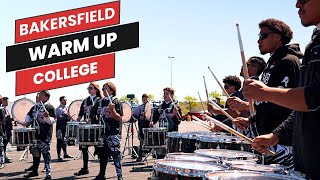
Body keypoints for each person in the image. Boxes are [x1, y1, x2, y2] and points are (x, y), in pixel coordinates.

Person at [246, 1, 320, 178]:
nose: (297, 4)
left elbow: (313, 97)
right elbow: (303, 110)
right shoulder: (315, 44)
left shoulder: (289, 61)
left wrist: (264, 93)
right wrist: (276, 135)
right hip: (306, 164)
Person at [232, 18, 302, 169]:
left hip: (282, 142)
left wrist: (276, 135)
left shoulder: (289, 61)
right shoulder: (272, 64)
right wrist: (251, 120)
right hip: (269, 140)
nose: (259, 41)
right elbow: (269, 104)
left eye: (263, 36)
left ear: (277, 37)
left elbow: (290, 104)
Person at [90, 82, 123, 180]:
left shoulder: (116, 101)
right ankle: (101, 174)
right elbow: (92, 113)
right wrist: (96, 118)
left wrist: (112, 110)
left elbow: (119, 118)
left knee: (116, 155)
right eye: (103, 89)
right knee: (102, 155)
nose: (104, 91)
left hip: (113, 132)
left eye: (106, 89)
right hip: (102, 132)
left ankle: (119, 175)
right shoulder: (100, 102)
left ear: (112, 90)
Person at [24, 90, 56, 179]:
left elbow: (53, 120)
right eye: (39, 94)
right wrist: (27, 121)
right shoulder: (35, 107)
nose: (39, 96)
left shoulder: (49, 107)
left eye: (41, 94)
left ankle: (48, 172)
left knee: (46, 154)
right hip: (35, 135)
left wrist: (47, 117)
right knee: (35, 153)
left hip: (44, 135)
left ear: (46, 97)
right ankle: (35, 171)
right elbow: (29, 115)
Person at [74, 82, 102, 176]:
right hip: (86, 127)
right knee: (84, 147)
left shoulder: (100, 100)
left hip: (97, 127)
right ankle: (85, 168)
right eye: (88, 88)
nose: (89, 90)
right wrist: (78, 118)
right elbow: (81, 112)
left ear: (96, 89)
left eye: (90, 88)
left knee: (99, 148)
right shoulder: (85, 101)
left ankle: (101, 171)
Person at [134, 94, 152, 162]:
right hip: (141, 125)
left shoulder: (150, 106)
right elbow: (135, 115)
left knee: (150, 140)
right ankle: (140, 156)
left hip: (148, 125)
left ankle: (150, 153)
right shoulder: (139, 107)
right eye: (143, 99)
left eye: (145, 99)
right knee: (141, 140)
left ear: (148, 99)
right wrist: (139, 117)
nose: (144, 100)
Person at [55, 96, 73, 161]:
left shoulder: (67, 108)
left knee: (64, 141)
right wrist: (66, 118)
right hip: (60, 127)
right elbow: (58, 117)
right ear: (61, 101)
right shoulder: (59, 109)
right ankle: (59, 155)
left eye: (66, 100)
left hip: (66, 127)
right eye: (64, 100)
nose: (66, 101)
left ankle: (65, 154)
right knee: (59, 141)